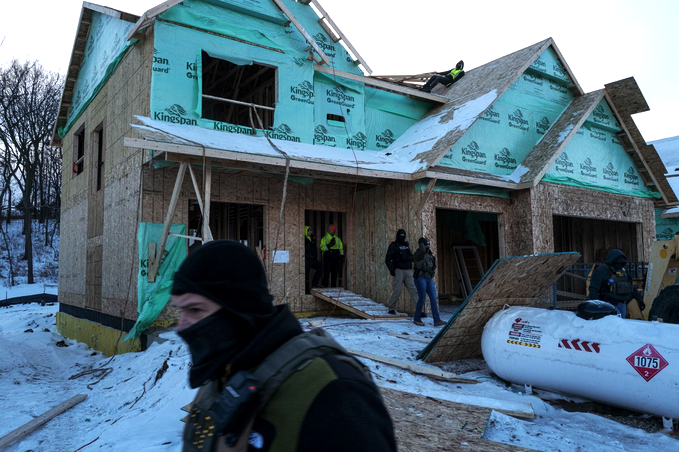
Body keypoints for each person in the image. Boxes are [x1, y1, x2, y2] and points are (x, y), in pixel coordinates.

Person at [171, 240, 396, 452]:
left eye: (195, 310)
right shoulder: (222, 374)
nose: (181, 326)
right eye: (180, 310)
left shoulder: (336, 395)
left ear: (237, 309)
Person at [588, 249, 645, 318]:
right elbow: (594, 288)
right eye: (618, 263)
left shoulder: (624, 271)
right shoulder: (602, 270)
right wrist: (596, 304)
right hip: (608, 304)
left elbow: (631, 287)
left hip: (623, 303)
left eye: (622, 264)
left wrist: (640, 300)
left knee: (620, 324)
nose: (620, 265)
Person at [385, 229, 419, 315]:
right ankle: (391, 308)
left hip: (408, 270)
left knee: (413, 290)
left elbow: (411, 257)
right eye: (401, 235)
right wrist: (392, 270)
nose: (402, 237)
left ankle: (419, 309)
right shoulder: (394, 245)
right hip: (399, 270)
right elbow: (388, 259)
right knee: (397, 290)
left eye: (403, 235)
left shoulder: (406, 245)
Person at [413, 237, 446, 327]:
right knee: (422, 298)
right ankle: (417, 318)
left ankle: (437, 320)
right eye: (426, 244)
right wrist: (422, 244)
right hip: (420, 278)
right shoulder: (418, 253)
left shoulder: (429, 254)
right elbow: (421, 255)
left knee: (433, 298)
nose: (428, 246)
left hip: (428, 278)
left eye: (428, 244)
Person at [304, 225, 323, 293]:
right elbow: (304, 248)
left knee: (320, 267)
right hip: (306, 259)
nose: (310, 232)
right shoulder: (304, 239)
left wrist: (315, 257)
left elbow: (314, 249)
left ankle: (315, 284)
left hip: (312, 259)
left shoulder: (311, 238)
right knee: (306, 276)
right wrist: (310, 243)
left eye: (310, 230)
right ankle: (306, 291)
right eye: (308, 230)